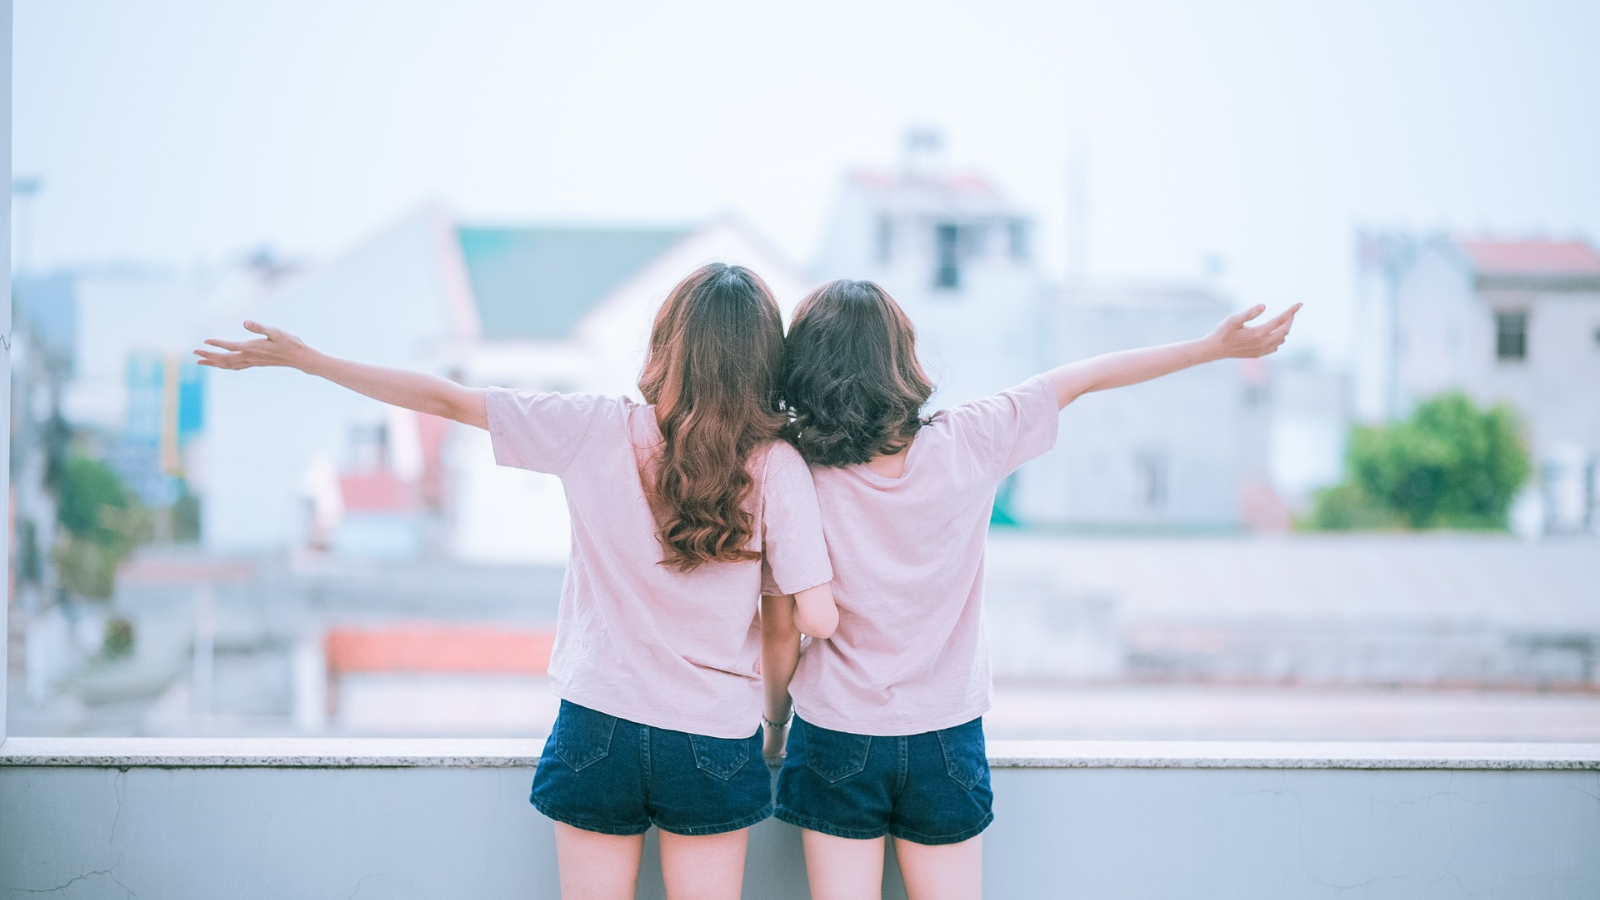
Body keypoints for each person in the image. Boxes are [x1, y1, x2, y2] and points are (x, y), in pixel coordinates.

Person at [197, 262, 839, 900]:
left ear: (667, 346)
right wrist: (775, 726)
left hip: (599, 724)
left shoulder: (592, 428)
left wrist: (312, 360)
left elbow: (445, 398)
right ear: (764, 360)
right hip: (713, 735)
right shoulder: (778, 467)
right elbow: (784, 622)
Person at [767, 279, 1299, 900]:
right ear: (902, 360)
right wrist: (1211, 349)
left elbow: (781, 626)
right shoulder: (971, 438)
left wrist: (775, 728)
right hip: (946, 731)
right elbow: (1082, 377)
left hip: (835, 730)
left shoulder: (795, 469)